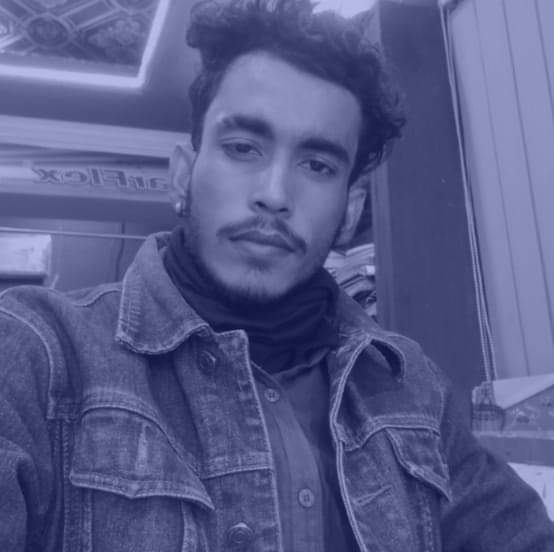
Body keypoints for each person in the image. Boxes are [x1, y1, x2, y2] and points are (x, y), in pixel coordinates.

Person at [0, 0, 553, 550]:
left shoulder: (411, 386)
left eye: (317, 165)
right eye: (243, 148)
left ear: (351, 210)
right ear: (182, 176)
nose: (274, 194)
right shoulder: (37, 351)